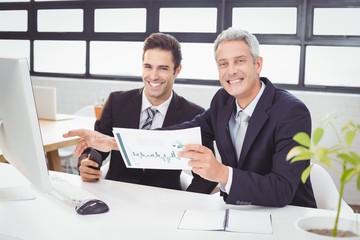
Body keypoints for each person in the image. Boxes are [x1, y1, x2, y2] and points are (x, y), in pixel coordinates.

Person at [64, 28, 316, 208]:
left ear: (257, 64)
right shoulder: (223, 101)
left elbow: (282, 189)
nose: (231, 71)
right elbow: (176, 135)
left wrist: (221, 173)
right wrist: (112, 143)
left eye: (239, 61)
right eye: (223, 64)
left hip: (286, 215)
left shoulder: (291, 111)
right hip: (238, 210)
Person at [68, 32, 217, 194]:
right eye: (148, 67)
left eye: (163, 68)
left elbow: (206, 173)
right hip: (115, 195)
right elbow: (96, 146)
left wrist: (187, 201)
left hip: (163, 200)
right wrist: (86, 163)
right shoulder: (117, 102)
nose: (153, 76)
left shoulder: (194, 114)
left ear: (177, 70)